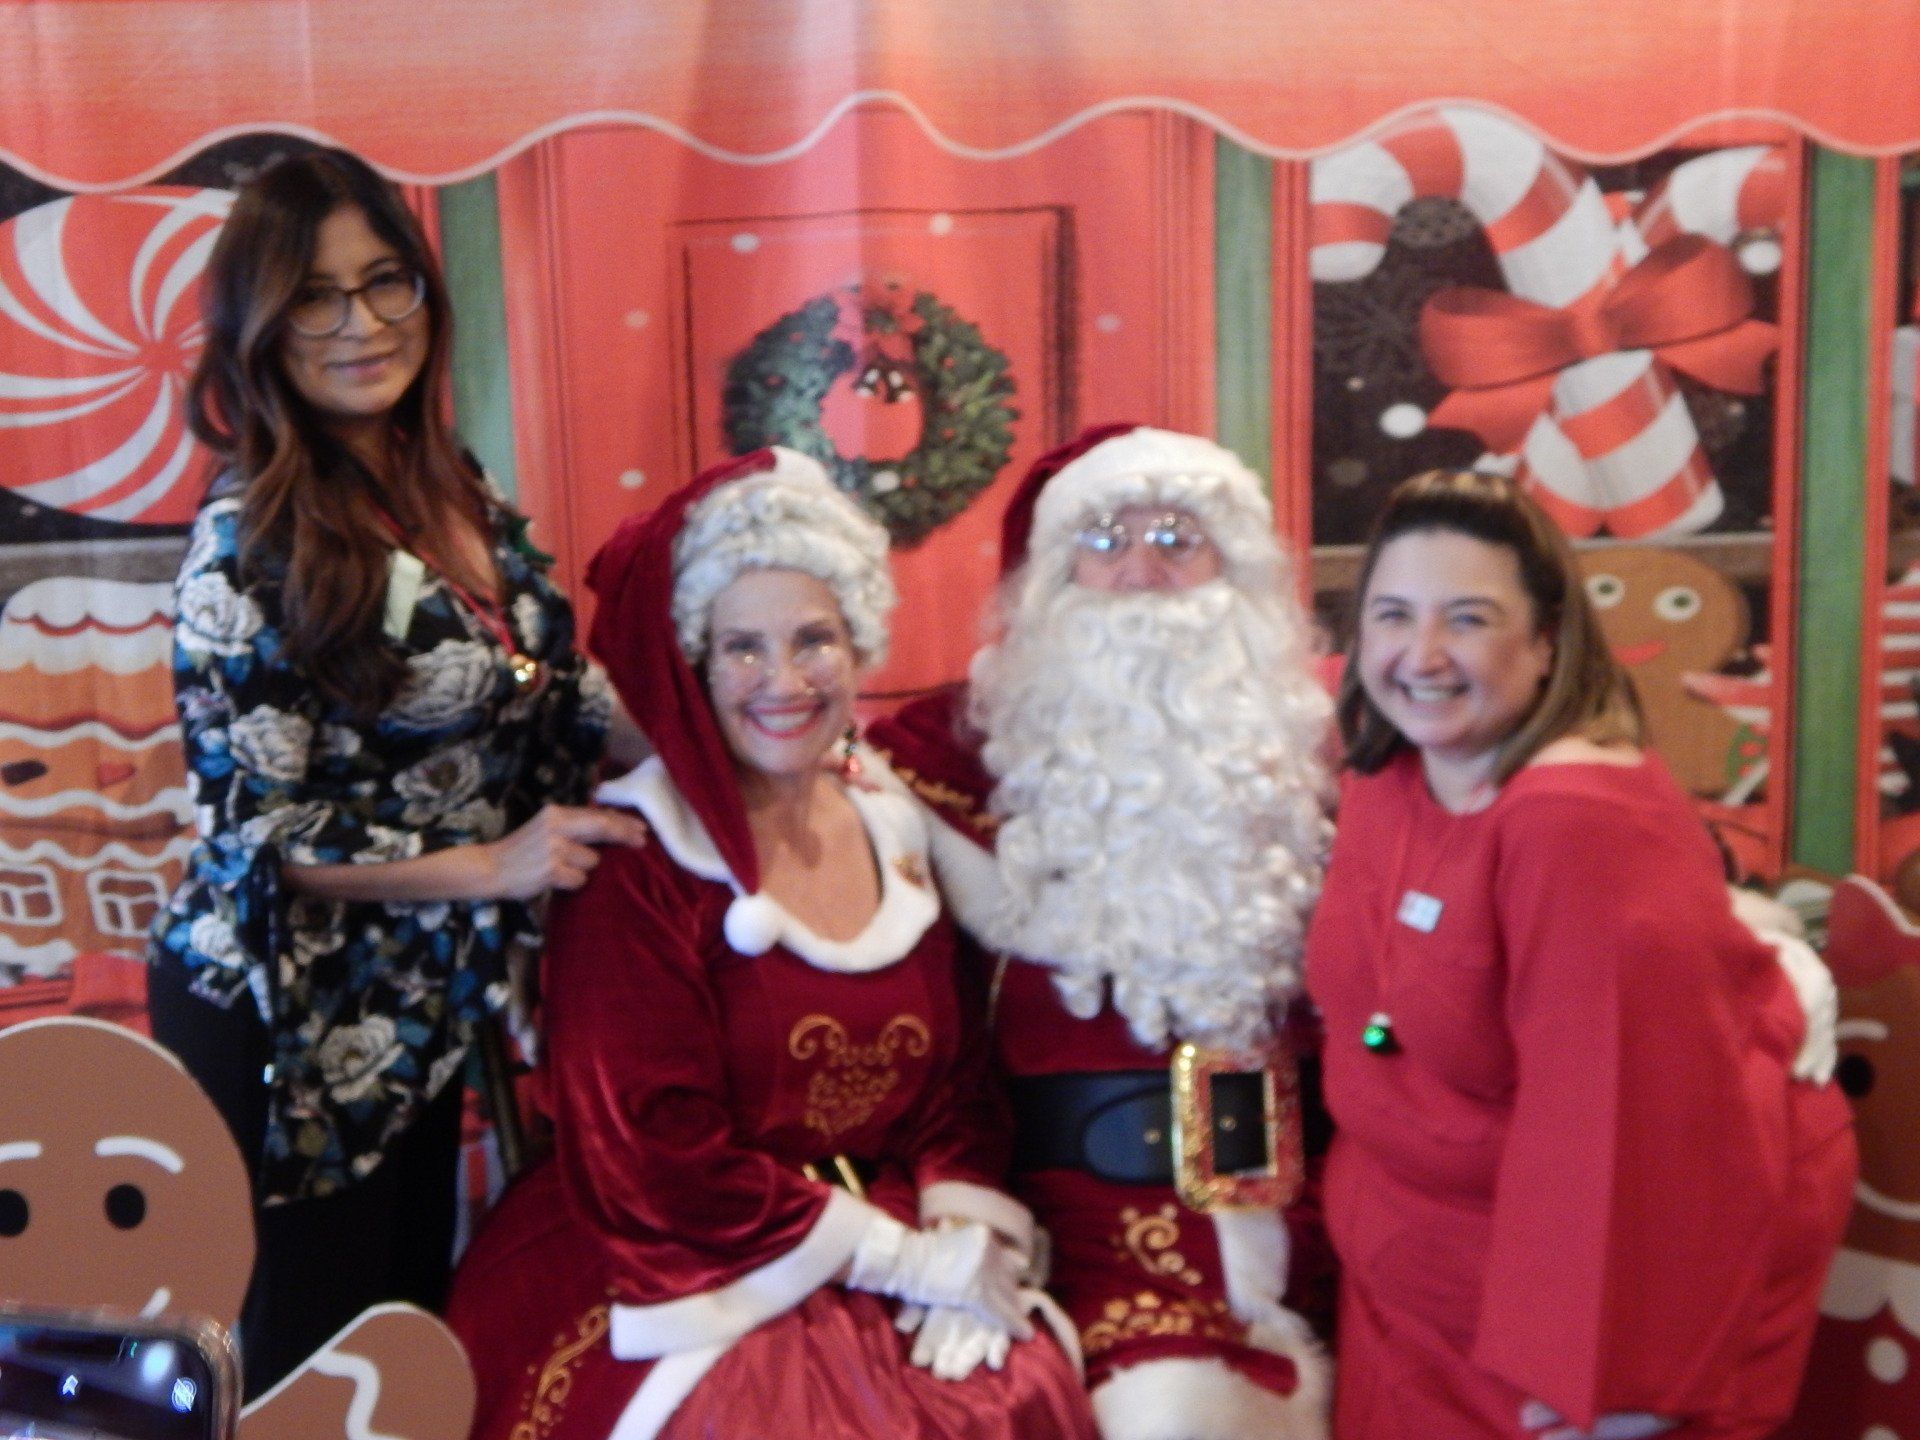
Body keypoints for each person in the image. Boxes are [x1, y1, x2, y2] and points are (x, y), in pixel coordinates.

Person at [444, 448, 1097, 1440]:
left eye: (814, 640)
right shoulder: (641, 859)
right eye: (744, 647)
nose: (783, 681)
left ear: (858, 643)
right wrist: (898, 1260)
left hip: (885, 1232)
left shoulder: (893, 822)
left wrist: (963, 1234)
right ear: (696, 663)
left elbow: (955, 1086)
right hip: (682, 1250)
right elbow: (651, 1149)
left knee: (1015, 1388)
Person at [146, 147, 645, 1395]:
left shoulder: (444, 482)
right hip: (287, 1021)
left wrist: (720, 739)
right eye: (316, 296)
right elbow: (257, 839)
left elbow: (539, 681)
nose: (362, 323)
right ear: (258, 326)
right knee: (314, 1376)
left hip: (422, 1005)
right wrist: (499, 865)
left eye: (387, 283)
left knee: (407, 1354)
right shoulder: (245, 541)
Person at [1303, 468, 1856, 1439]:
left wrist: (1607, 1385)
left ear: (1547, 638)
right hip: (1414, 1277)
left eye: (1467, 619)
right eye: (1393, 615)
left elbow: (1632, 1129)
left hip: (1592, 1292)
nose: (1421, 654)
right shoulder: (1392, 760)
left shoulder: (1574, 821)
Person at [870, 425, 1335, 1440]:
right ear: (1051, 579)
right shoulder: (940, 761)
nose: (1142, 573)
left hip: (1319, 1214)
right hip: (1072, 1211)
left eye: (1178, 536)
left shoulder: (1312, 750)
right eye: (1105, 539)